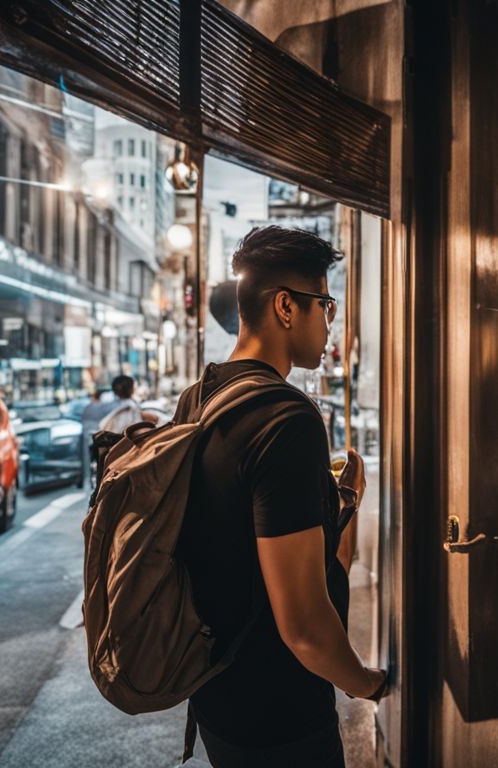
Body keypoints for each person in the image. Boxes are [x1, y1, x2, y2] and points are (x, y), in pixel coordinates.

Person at [174, 226, 385, 767]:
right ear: (287, 307)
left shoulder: (202, 396)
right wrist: (367, 684)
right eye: (326, 304)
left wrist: (339, 505)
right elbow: (305, 626)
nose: (330, 322)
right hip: (281, 720)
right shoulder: (287, 420)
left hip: (216, 702)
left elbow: (232, 540)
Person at [78, 389, 116, 487]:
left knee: (91, 460)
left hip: (89, 437)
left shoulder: (89, 407)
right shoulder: (107, 406)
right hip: (100, 438)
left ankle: (90, 480)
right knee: (100, 461)